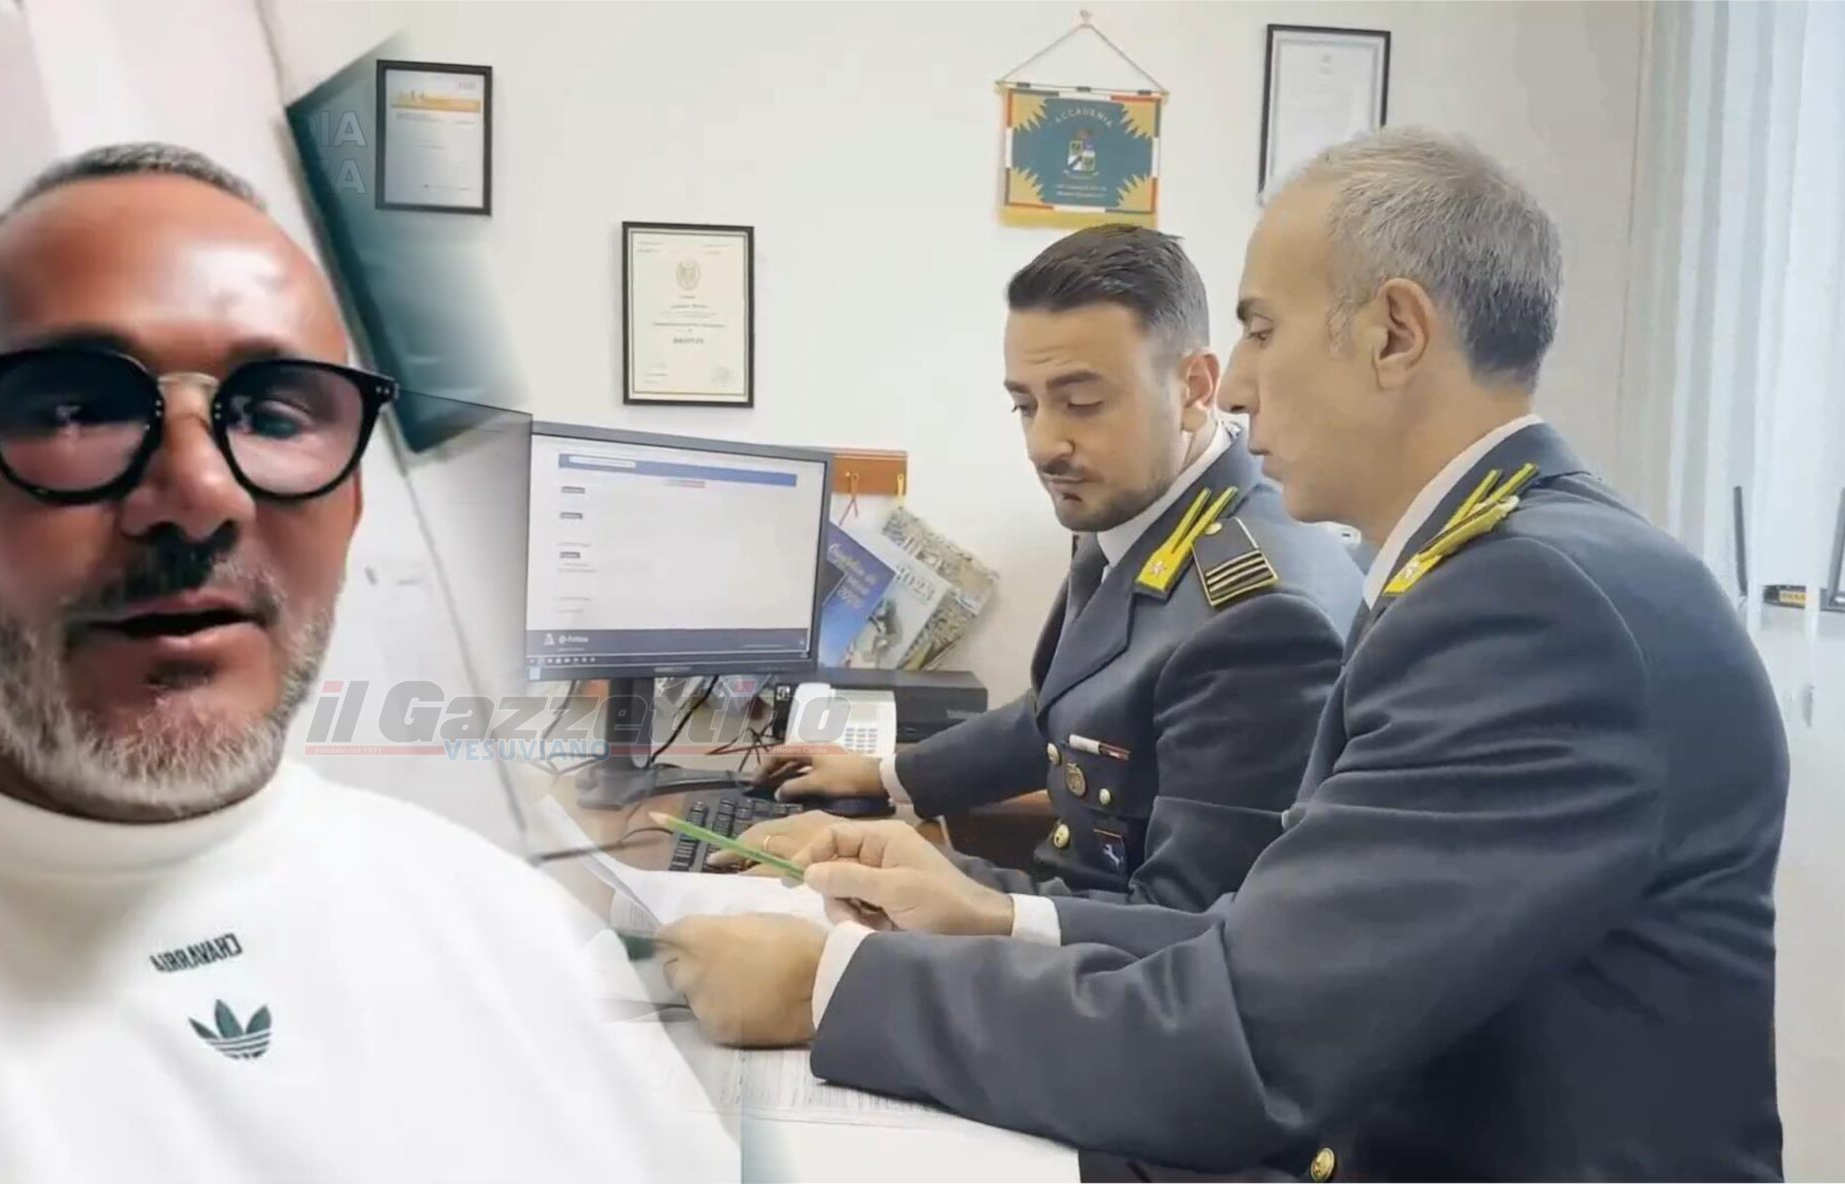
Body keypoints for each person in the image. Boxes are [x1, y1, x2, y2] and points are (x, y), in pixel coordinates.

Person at [657, 127, 1789, 1181]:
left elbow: (1249, 1037)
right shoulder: (1505, 566)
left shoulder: (1531, 610)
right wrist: (993, 915)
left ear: (1395, 334)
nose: (1237, 387)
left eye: (1261, 329)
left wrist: (832, 986)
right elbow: (1274, 946)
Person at [0, 144, 718, 1181]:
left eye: (272, 414)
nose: (199, 492)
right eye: (75, 408)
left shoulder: (519, 933)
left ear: (349, 510)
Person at [727, 225, 1357, 913]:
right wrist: (884, 775)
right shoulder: (1136, 507)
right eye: (1025, 405)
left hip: (1107, 958)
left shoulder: (1259, 617)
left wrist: (906, 873)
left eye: (1082, 403)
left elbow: (1184, 928)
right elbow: (1061, 718)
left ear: (1194, 387)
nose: (1042, 444)